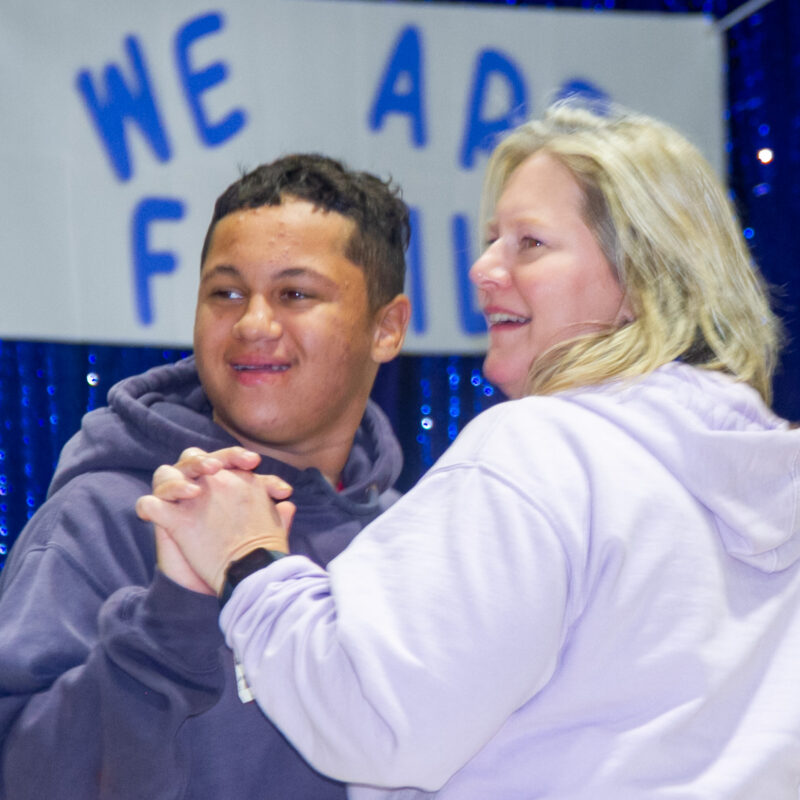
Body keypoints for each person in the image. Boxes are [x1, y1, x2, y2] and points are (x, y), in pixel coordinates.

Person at [139, 102, 800, 799]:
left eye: (529, 244)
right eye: (492, 240)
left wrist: (250, 561)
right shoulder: (773, 473)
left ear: (641, 276)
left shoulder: (545, 451)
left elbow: (374, 723)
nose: (484, 268)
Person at [0, 154, 412, 799]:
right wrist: (167, 623)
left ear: (387, 328)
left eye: (295, 294)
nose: (253, 324)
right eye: (226, 293)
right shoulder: (110, 515)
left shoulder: (405, 538)